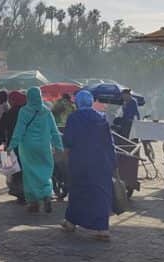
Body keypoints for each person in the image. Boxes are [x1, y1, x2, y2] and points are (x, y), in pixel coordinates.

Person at [61, 90, 116, 240]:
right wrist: (113, 162)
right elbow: (109, 143)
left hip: (80, 162)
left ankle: (71, 222)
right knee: (100, 194)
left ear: (78, 102)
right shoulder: (101, 117)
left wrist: (65, 157)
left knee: (78, 192)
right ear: (91, 101)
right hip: (101, 162)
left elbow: (68, 141)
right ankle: (102, 229)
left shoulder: (73, 118)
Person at [8, 87, 63, 213]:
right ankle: (47, 195)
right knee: (45, 173)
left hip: (27, 148)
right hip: (44, 146)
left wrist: (11, 145)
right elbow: (54, 131)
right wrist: (58, 146)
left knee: (30, 175)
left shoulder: (24, 111)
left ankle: (33, 203)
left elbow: (19, 130)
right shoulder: (47, 111)